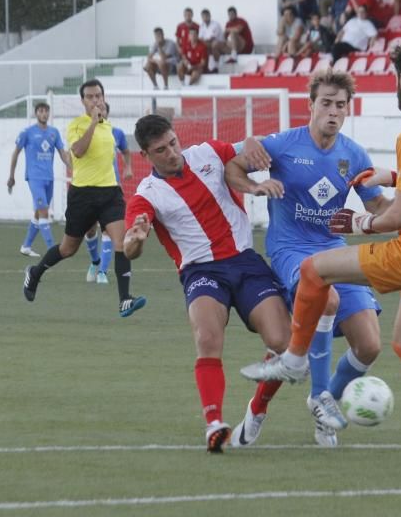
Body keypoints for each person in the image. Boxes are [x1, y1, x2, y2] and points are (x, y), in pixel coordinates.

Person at [241, 39, 401, 471]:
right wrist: (393, 175)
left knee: (315, 272)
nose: (335, 110)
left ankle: (295, 364)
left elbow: (398, 214)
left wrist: (358, 224)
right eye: (328, 103)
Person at [225, 70, 388, 448]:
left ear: (348, 109)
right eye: (326, 102)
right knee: (321, 304)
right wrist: (254, 186)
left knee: (369, 346)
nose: (333, 111)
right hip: (289, 249)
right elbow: (233, 165)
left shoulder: (354, 154)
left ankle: (321, 401)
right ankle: (309, 401)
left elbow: (377, 204)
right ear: (310, 105)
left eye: (340, 105)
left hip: (333, 246)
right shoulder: (282, 145)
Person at [123, 114, 289, 453]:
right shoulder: (147, 194)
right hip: (201, 273)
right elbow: (130, 247)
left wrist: (255, 143)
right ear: (145, 156)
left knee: (282, 341)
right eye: (161, 150)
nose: (171, 153)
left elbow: (249, 149)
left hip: (245, 261)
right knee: (207, 337)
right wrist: (136, 238)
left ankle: (257, 410)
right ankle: (214, 424)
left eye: (173, 143)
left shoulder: (208, 153)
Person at [22, 79, 146, 317]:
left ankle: (124, 300)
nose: (95, 100)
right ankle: (34, 273)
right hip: (83, 195)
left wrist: (127, 167)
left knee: (122, 242)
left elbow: (118, 152)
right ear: (83, 101)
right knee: (68, 249)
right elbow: (78, 151)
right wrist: (92, 123)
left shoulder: (109, 127)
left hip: (110, 192)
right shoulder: (77, 125)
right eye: (90, 97)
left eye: (98, 95)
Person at [7, 102, 71, 258]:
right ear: (36, 114)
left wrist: (72, 167)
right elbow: (15, 153)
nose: (44, 114)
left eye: (46, 111)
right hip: (34, 178)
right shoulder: (27, 132)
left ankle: (26, 246)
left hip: (49, 178)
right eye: (41, 111)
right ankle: (52, 248)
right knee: (44, 211)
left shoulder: (54, 133)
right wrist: (11, 176)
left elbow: (62, 153)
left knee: (38, 213)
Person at [84, 102, 134, 284]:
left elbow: (126, 152)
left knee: (108, 230)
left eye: (103, 109)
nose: (100, 111)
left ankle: (102, 272)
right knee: (90, 230)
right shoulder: (85, 132)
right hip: (89, 189)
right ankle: (94, 261)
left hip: (111, 188)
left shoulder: (116, 133)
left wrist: (128, 167)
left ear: (106, 113)